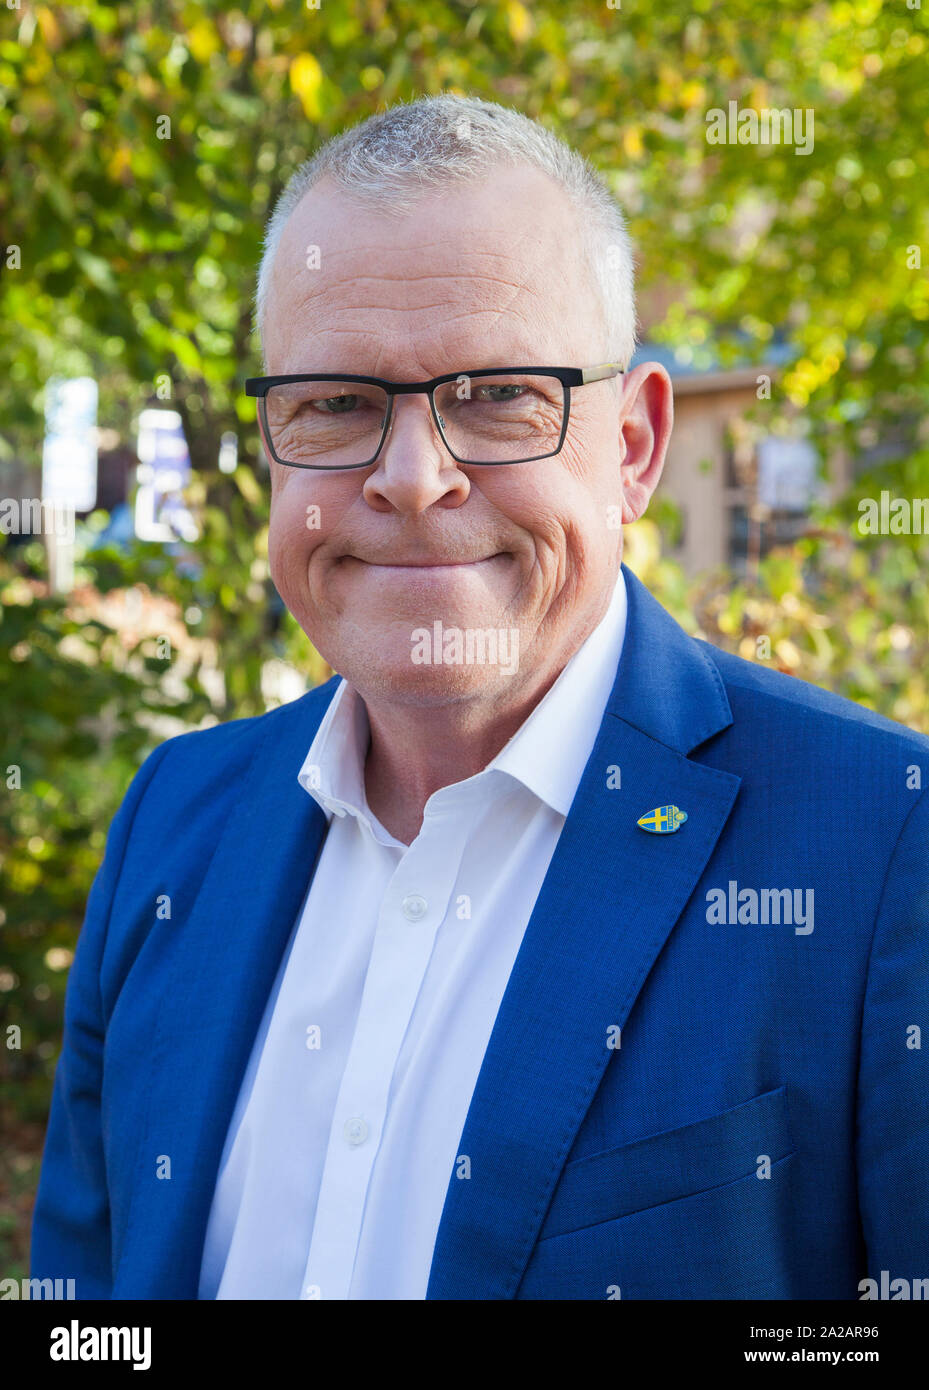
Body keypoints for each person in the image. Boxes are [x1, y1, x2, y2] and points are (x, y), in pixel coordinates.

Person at [31, 94, 929, 1300]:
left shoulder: (878, 845)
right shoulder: (172, 821)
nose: (411, 479)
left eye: (499, 393)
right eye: (336, 403)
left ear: (631, 448)